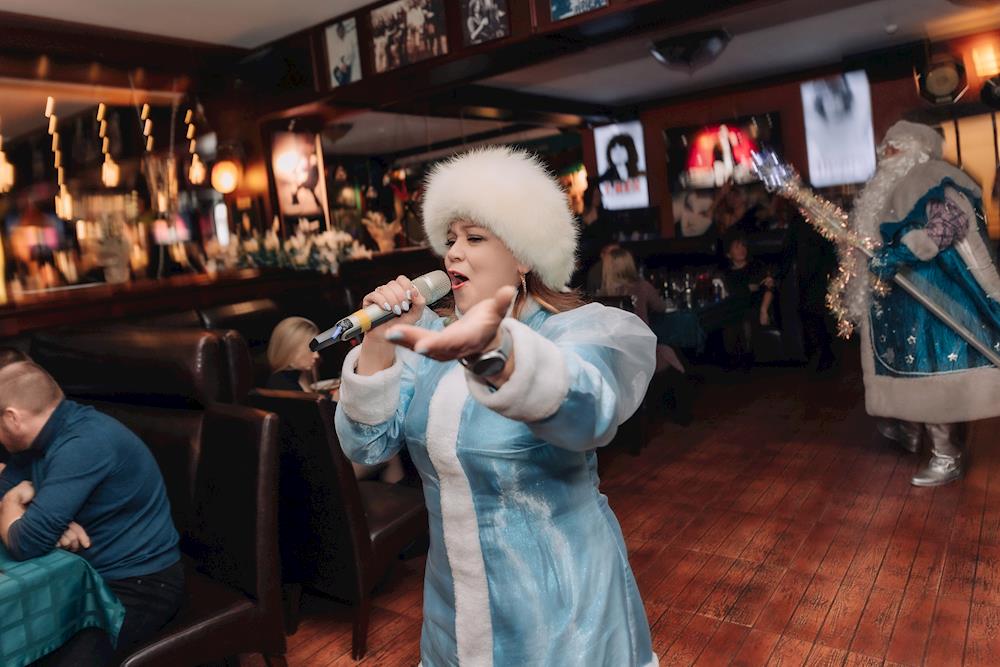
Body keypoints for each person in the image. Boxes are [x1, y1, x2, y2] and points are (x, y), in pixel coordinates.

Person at [335, 146, 658, 666]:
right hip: (454, 615)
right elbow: (366, 446)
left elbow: (590, 413)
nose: (453, 254)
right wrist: (378, 338)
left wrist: (499, 354)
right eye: (450, 239)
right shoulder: (433, 340)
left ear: (523, 255)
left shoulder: (572, 334)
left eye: (475, 238)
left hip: (561, 615)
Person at [840, 120, 1000, 486]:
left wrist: (900, 253)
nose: (885, 153)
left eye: (894, 146)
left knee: (932, 380)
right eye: (884, 147)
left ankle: (947, 454)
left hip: (933, 302)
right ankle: (909, 429)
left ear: (916, 149)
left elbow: (948, 225)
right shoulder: (888, 187)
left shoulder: (931, 176)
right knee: (904, 374)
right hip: (899, 306)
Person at [0, 360, 182, 665]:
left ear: (11, 417)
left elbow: (26, 543)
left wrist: (12, 506)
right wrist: (37, 516)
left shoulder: (85, 443)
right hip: (78, 574)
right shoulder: (36, 441)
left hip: (140, 582)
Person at [266, 317, 405, 485]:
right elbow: (314, 430)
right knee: (387, 453)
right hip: (315, 471)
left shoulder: (290, 379)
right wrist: (336, 399)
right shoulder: (284, 388)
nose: (316, 356)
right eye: (310, 350)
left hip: (315, 460)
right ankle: (396, 496)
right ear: (290, 350)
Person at [722, 231, 775, 368]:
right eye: (737, 247)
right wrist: (747, 289)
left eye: (743, 246)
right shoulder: (727, 274)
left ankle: (748, 361)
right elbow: (731, 293)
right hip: (737, 308)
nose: (742, 249)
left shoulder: (756, 266)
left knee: (746, 318)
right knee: (729, 321)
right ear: (728, 254)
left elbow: (768, 288)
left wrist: (764, 310)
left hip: (757, 307)